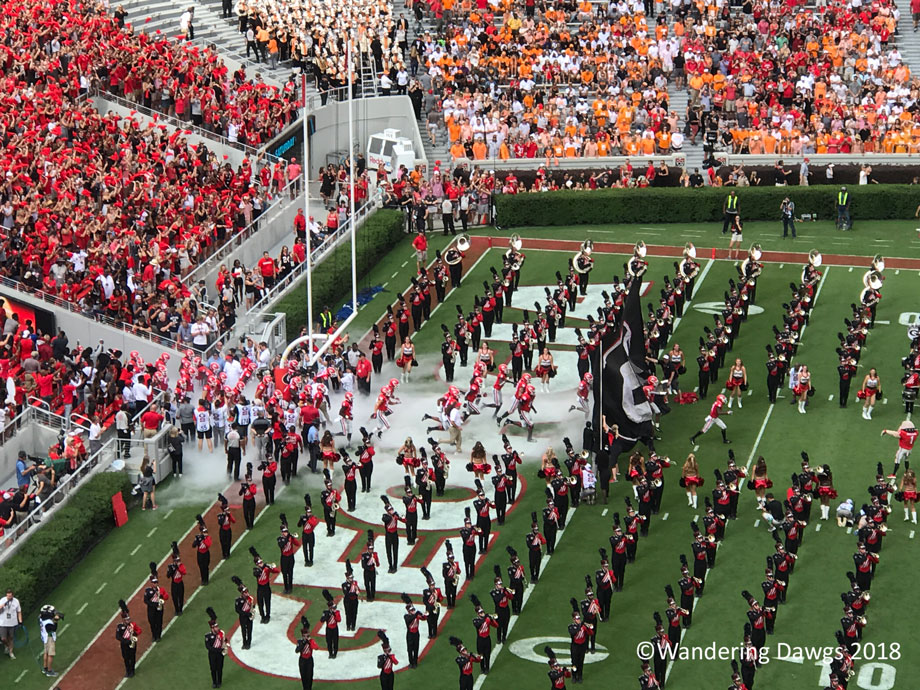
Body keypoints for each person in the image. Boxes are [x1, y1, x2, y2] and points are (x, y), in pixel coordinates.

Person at [116, 600, 142, 679]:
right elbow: (118, 636)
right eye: (127, 619)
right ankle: (128, 671)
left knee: (132, 657)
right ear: (123, 620)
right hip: (124, 644)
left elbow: (139, 630)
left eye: (129, 619)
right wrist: (125, 641)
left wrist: (135, 634)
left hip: (132, 643)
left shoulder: (132, 625)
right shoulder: (120, 627)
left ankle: (132, 670)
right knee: (126, 658)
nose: (128, 620)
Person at [204, 607, 227, 688]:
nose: (217, 628)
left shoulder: (221, 633)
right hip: (212, 654)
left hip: (220, 654)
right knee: (213, 669)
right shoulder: (208, 636)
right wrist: (218, 650)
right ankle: (214, 682)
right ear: (212, 628)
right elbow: (208, 647)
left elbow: (225, 639)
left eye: (217, 626)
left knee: (220, 668)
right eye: (216, 627)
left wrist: (226, 644)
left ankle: (219, 681)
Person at [295, 615, 320, 690]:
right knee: (303, 676)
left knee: (309, 675)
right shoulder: (300, 641)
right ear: (303, 635)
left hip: (309, 660)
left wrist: (309, 641)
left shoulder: (311, 641)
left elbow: (316, 647)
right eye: (305, 635)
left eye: (308, 635)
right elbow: (297, 650)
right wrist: (303, 642)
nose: (307, 636)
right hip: (302, 660)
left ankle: (309, 688)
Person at [0, 589, 22, 659]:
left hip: (12, 623)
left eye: (10, 596)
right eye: (8, 596)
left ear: (12, 595)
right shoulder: (2, 600)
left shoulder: (16, 601)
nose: (9, 597)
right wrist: (2, 606)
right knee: (3, 638)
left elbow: (19, 611)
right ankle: (7, 646)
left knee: (11, 638)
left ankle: (11, 652)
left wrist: (20, 621)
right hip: (3, 623)